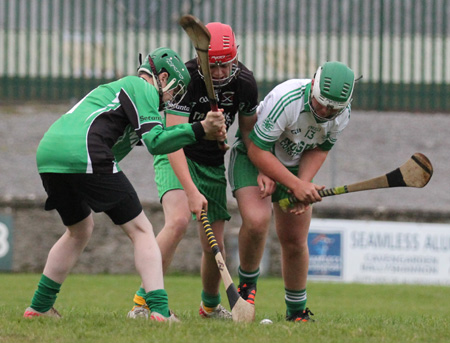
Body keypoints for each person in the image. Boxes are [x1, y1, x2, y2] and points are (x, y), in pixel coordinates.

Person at [23, 47, 226, 322]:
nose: (170, 99)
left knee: (79, 230)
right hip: (83, 150)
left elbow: (160, 139)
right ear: (162, 77)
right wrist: (201, 128)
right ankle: (158, 310)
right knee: (142, 230)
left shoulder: (119, 95)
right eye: (173, 91)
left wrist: (205, 133)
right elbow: (156, 142)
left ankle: (40, 306)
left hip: (49, 154)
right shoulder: (140, 87)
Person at [127, 22, 258, 320]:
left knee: (215, 245)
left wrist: (258, 167)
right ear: (200, 61)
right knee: (178, 221)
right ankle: (142, 302)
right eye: (214, 67)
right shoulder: (184, 80)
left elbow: (248, 136)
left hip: (212, 162)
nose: (221, 73)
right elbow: (172, 141)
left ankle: (210, 307)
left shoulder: (245, 84)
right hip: (177, 155)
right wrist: (190, 190)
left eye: (227, 65)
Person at [229, 61, 355, 322]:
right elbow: (256, 147)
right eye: (321, 103)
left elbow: (319, 149)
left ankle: (296, 311)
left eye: (333, 108)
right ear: (313, 86)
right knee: (257, 221)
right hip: (254, 156)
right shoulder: (287, 99)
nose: (324, 111)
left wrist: (303, 185)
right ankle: (246, 290)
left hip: (294, 164)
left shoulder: (342, 113)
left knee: (295, 238)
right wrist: (295, 184)